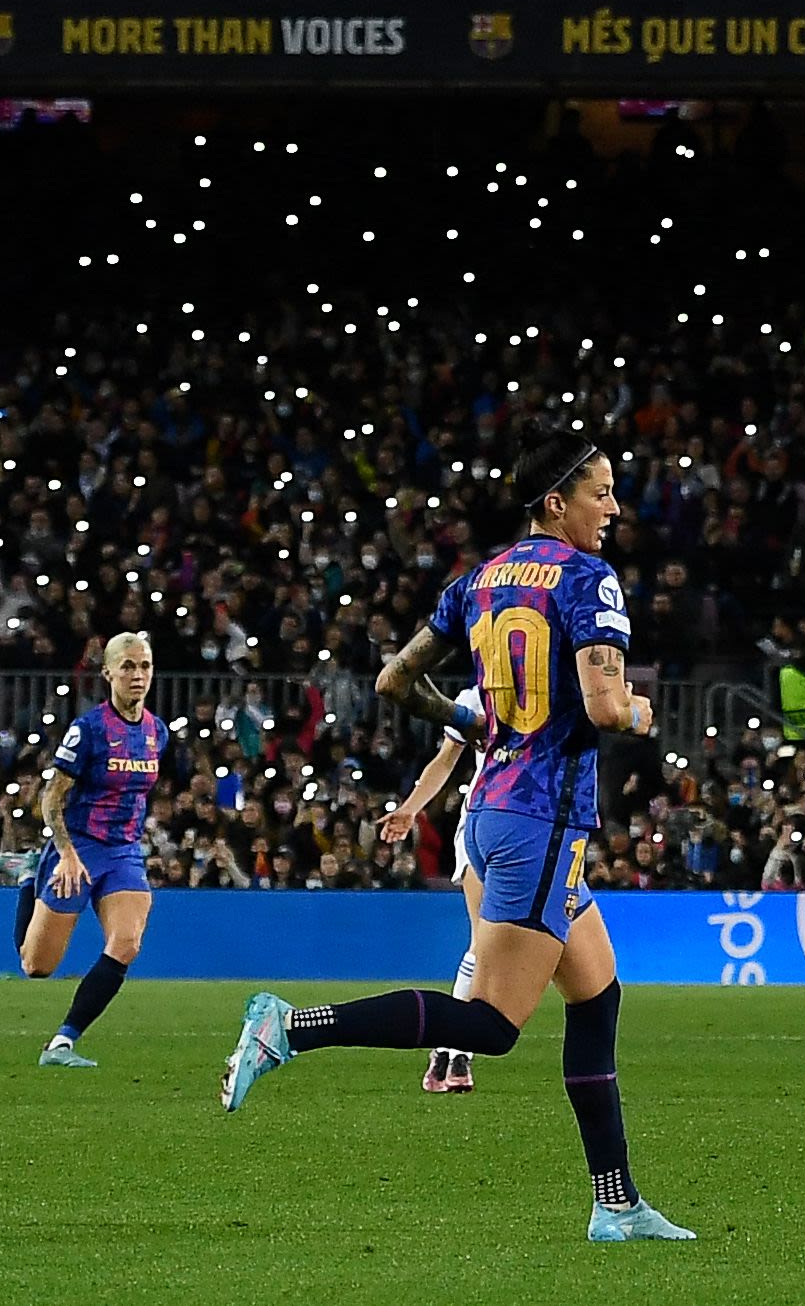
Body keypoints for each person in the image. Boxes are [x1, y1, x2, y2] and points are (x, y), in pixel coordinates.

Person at [221, 432, 695, 1243]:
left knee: (598, 993)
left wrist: (473, 722)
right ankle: (288, 1027)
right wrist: (647, 714)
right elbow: (610, 709)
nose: (614, 508)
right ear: (557, 502)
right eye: (601, 493)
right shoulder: (589, 579)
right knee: (492, 1028)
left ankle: (616, 1203)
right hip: (541, 817)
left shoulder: (477, 581)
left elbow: (394, 680)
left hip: (498, 808)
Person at [26, 629, 185, 1068]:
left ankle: (62, 1042)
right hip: (77, 847)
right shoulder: (89, 729)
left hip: (123, 852)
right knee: (37, 965)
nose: (138, 675)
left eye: (145, 666)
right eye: (128, 666)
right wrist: (67, 854)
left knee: (127, 942)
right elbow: (51, 797)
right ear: (108, 673)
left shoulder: (157, 732)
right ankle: (28, 876)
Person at [375, 688, 500, 1094]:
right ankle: (456, 1051)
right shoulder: (476, 698)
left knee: (499, 948)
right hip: (487, 823)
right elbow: (445, 759)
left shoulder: (553, 684)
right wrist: (411, 807)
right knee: (484, 943)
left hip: (540, 828)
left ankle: (448, 1051)